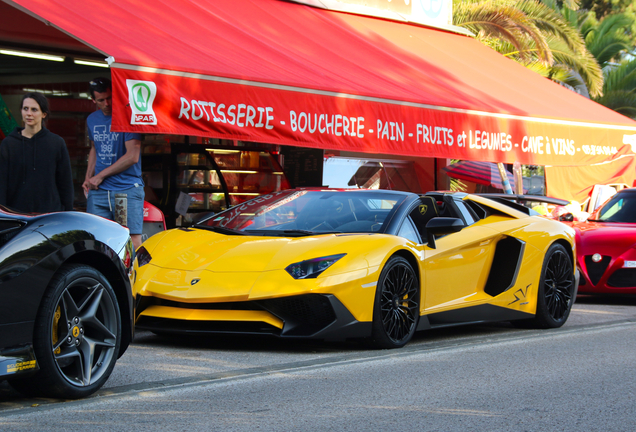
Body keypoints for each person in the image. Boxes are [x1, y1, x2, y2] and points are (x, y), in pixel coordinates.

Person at [83, 77, 144, 249]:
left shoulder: (128, 116)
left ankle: (133, 276)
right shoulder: (92, 119)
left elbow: (132, 156)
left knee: (130, 239)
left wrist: (99, 176)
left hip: (125, 189)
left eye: (109, 98)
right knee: (96, 239)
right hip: (99, 191)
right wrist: (88, 177)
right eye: (101, 100)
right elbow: (95, 148)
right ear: (93, 100)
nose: (107, 103)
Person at [0, 92, 74, 213]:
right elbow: (2, 183)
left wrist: (68, 214)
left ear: (44, 114)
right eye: (25, 109)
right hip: (16, 215)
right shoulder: (8, 144)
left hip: (50, 214)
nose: (29, 113)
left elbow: (65, 183)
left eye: (34, 109)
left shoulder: (56, 143)